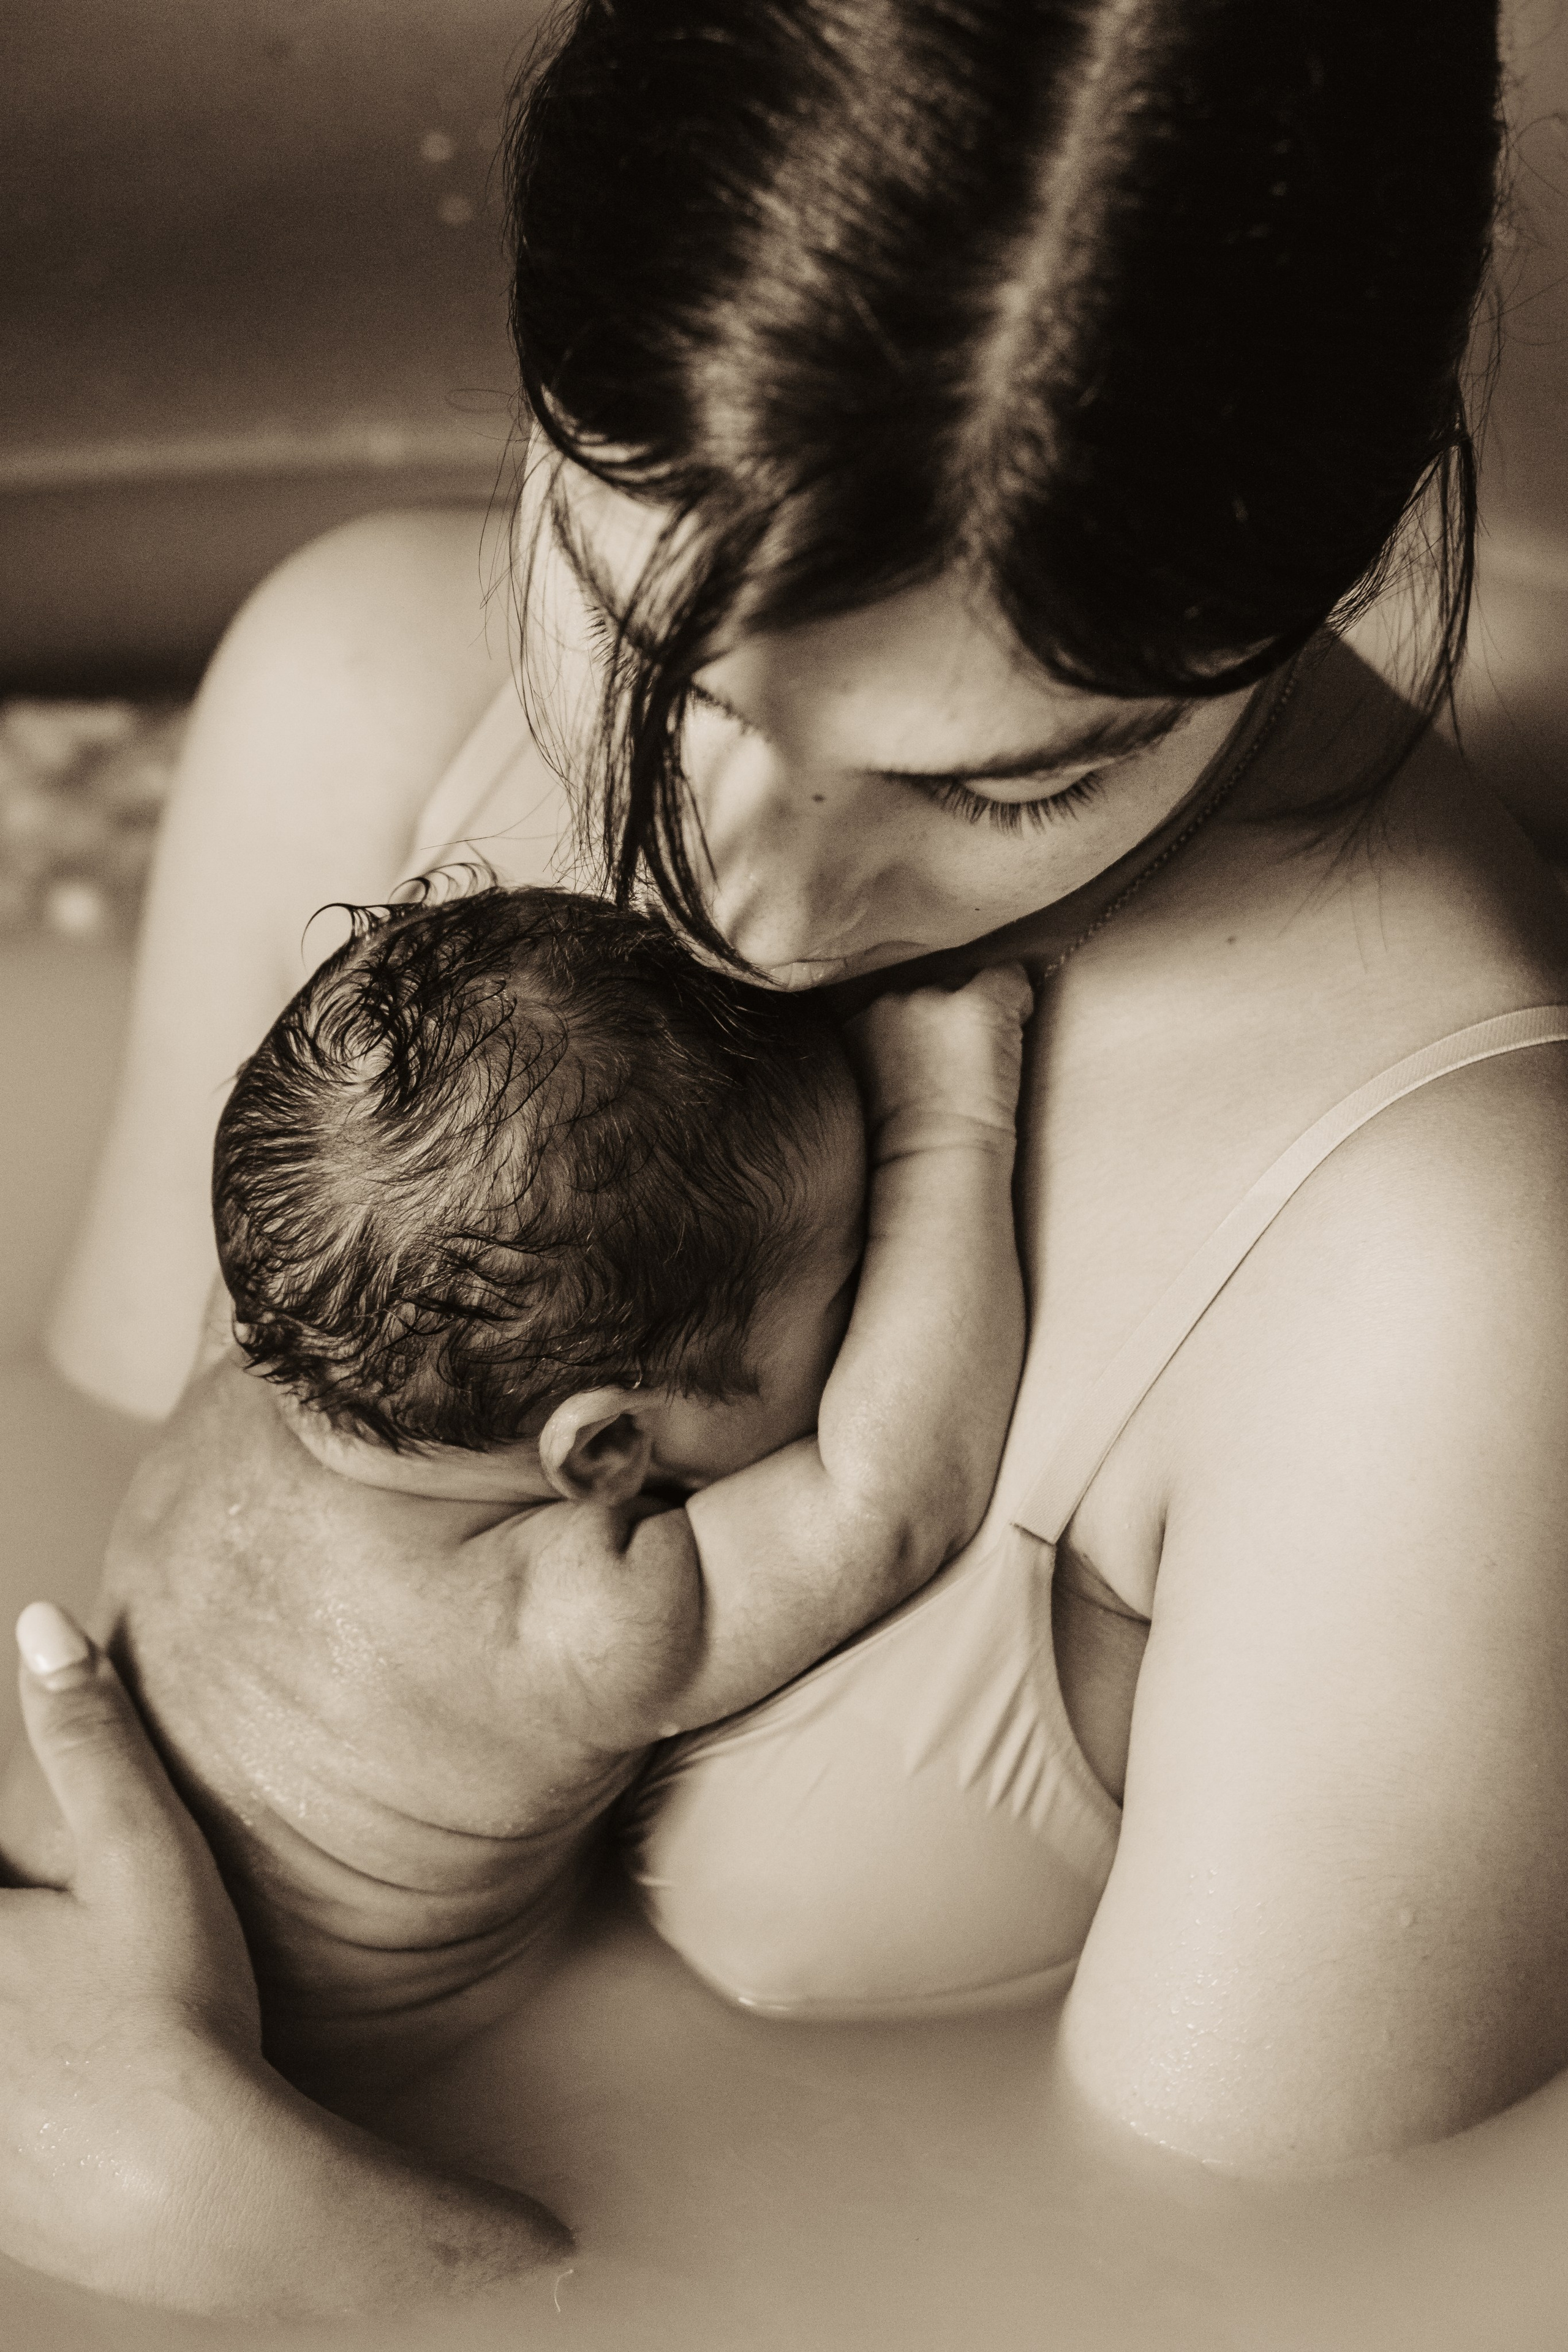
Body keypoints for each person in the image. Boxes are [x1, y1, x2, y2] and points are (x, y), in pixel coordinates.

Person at [8, 0, 1568, 2318]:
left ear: (1344, 542)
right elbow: (104, 1510)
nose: (753, 901)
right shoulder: (359, 700)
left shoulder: (1449, 1296)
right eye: (660, 660)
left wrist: (300, 2239)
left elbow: (1264, 2293)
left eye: (1005, 779)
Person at [1, 881, 1028, 2106]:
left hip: (50, 1923)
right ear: (603, 1453)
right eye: (850, 1279)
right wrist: (947, 1125)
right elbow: (891, 1501)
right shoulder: (558, 1623)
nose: (865, 1297)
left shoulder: (244, 1346)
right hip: (318, 2076)